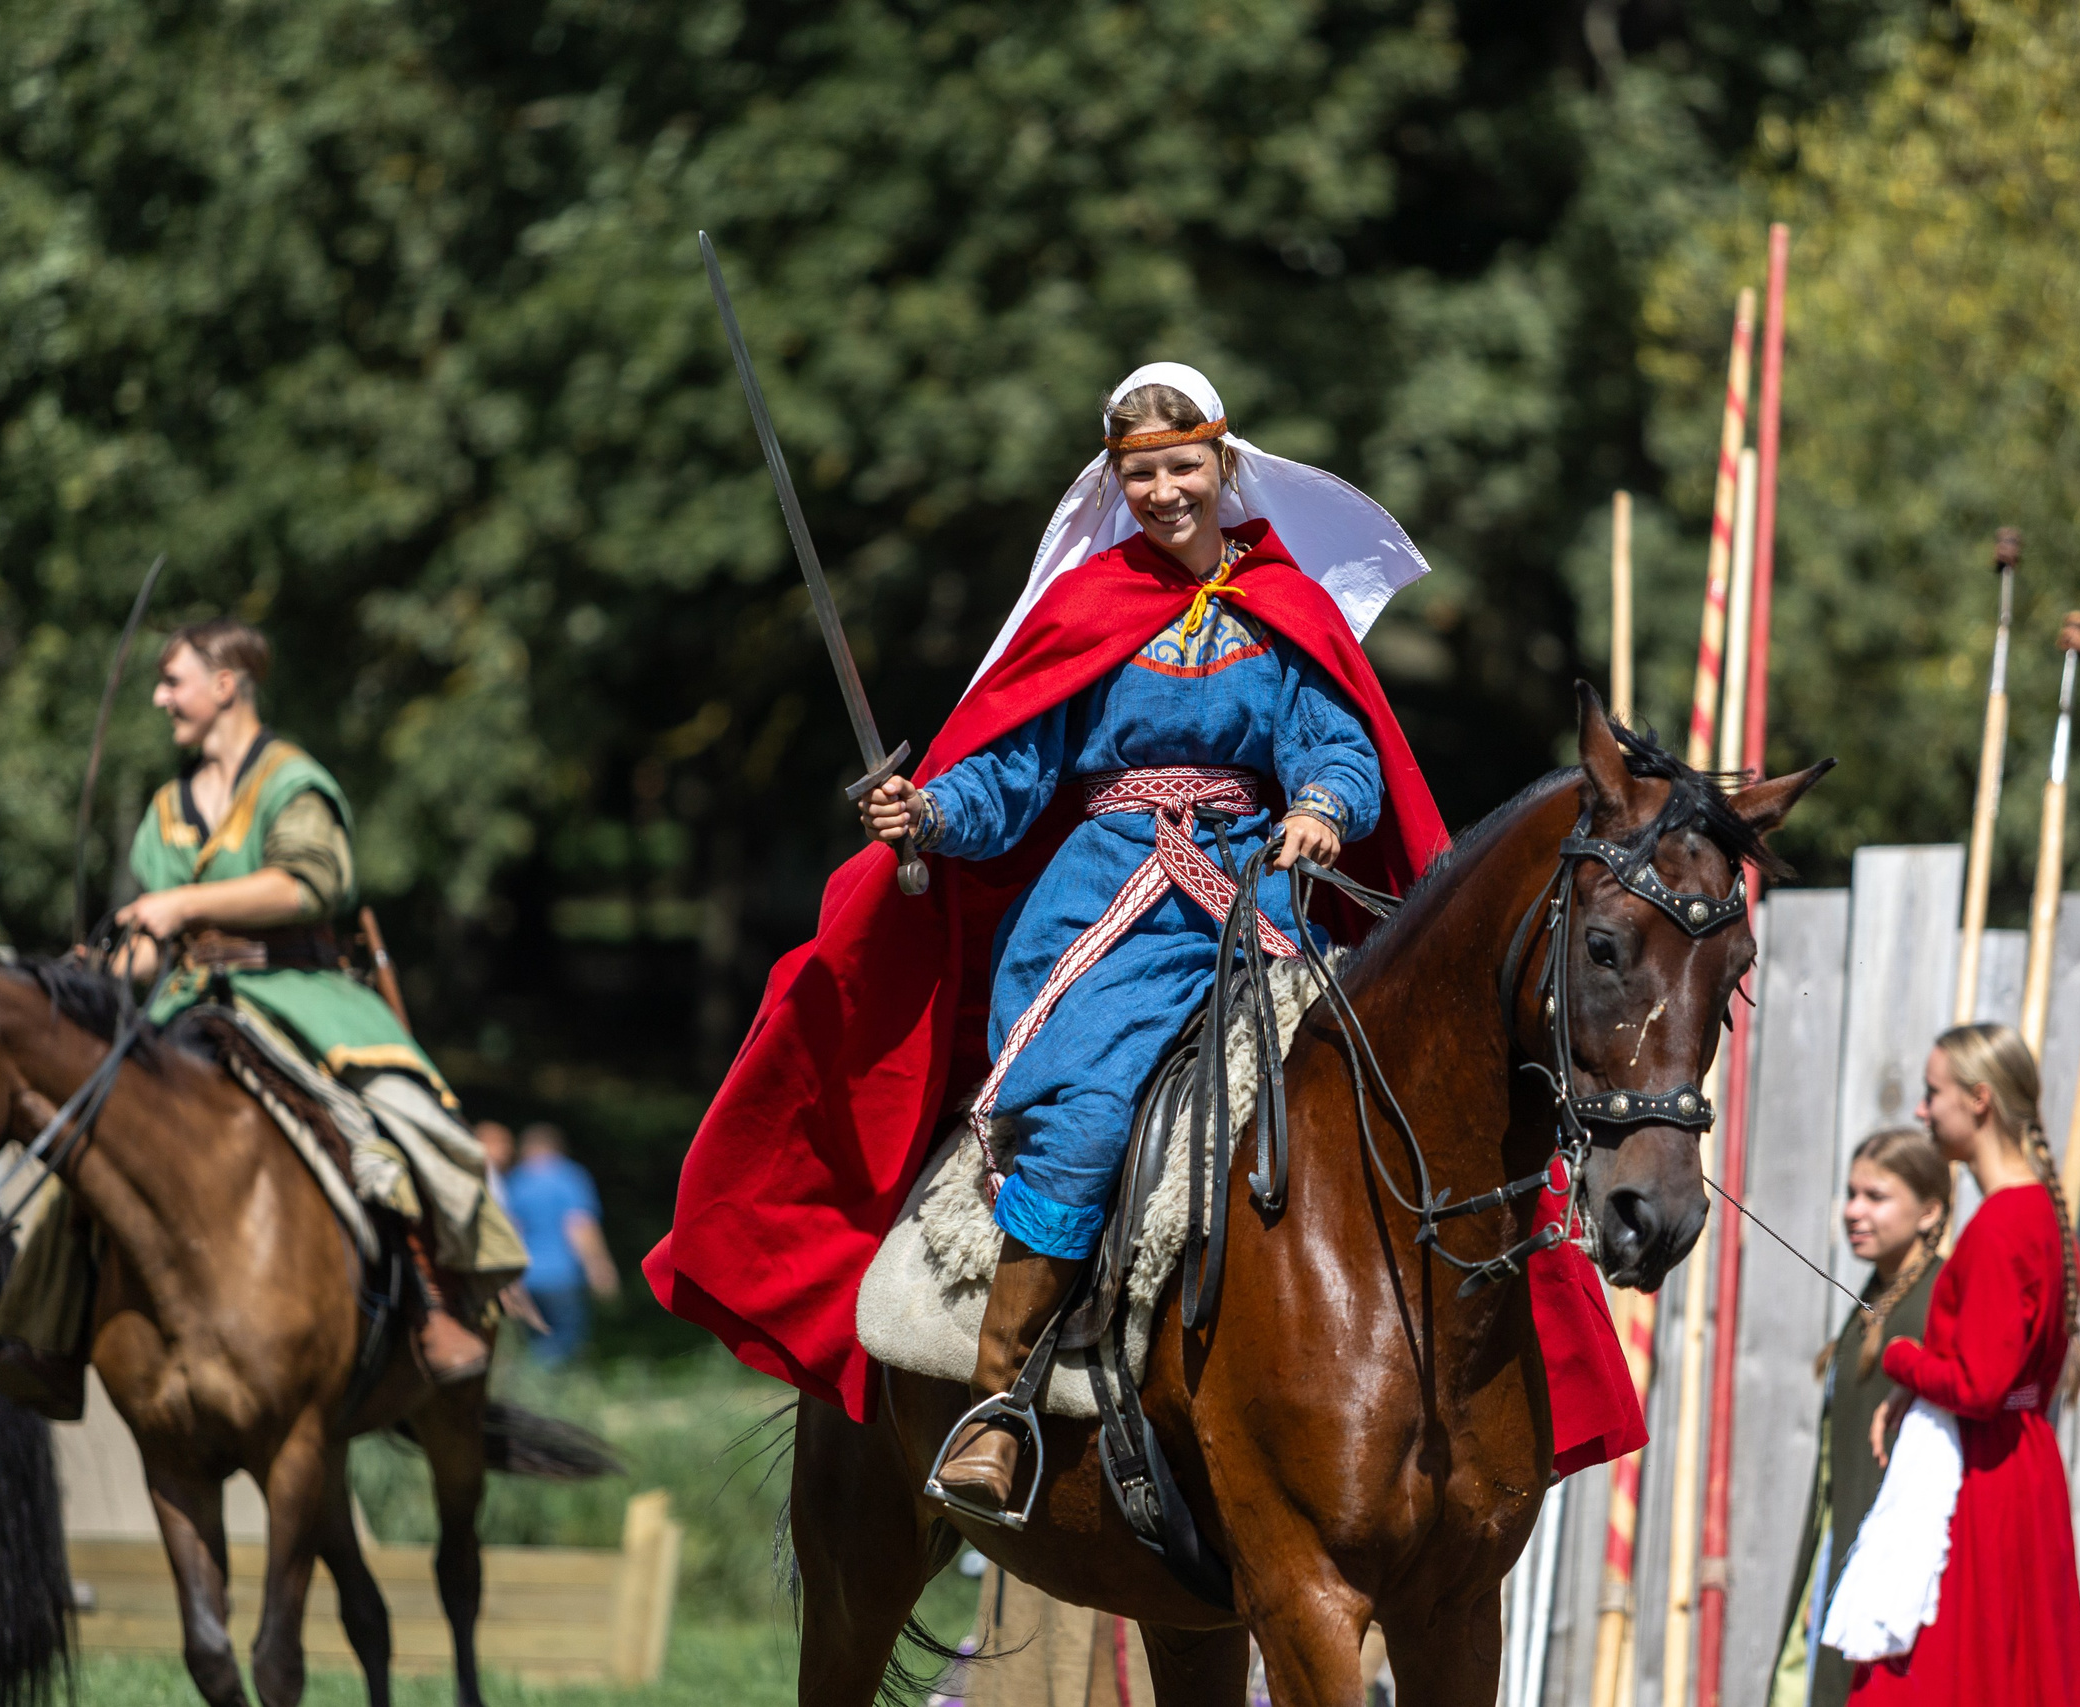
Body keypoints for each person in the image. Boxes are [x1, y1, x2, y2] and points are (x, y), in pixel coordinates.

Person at [644, 362, 1646, 1518]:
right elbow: (1010, 780)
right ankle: (999, 1406)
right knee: (1089, 1119)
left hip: (1256, 904)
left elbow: (1341, 745)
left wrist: (1321, 805)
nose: (1165, 490)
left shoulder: (1287, 607)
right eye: (1141, 473)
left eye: (1182, 467)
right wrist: (927, 811)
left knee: (1370, 1096)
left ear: (1223, 467)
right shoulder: (1085, 610)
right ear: (1117, 482)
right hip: (1101, 920)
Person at [0, 618, 527, 1416]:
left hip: (302, 994)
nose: (159, 697)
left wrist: (182, 902)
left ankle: (433, 1303)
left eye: (174, 680)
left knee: (403, 1120)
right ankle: (51, 1333)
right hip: (185, 1002)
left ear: (227, 683)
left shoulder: (292, 782)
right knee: (97, 1132)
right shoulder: (168, 808)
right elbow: (150, 945)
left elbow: (310, 885)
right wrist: (99, 972)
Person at [1849, 1022, 2080, 1706]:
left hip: (1982, 1477)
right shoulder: (2043, 1211)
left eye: (1933, 1093)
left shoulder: (2000, 1224)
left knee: (1952, 1679)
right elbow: (2002, 1371)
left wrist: (1902, 1359)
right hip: (2024, 1463)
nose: (1922, 1110)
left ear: (1979, 1101)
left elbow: (1980, 1387)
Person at [1775, 1127, 1951, 1707]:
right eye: (1851, 1194)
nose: (1853, 1211)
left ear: (1929, 1211)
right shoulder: (1878, 1297)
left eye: (1876, 1197)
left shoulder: (1941, 1301)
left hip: (1897, 1585)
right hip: (1840, 1559)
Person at [506, 1123, 620, 1363]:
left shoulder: (515, 1182)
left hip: (525, 1275)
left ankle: (532, 1387)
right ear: (557, 1149)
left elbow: (511, 1231)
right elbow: (579, 1226)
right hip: (562, 1275)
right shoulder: (568, 1177)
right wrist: (599, 1267)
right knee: (564, 1341)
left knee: (534, 1341)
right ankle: (546, 1391)